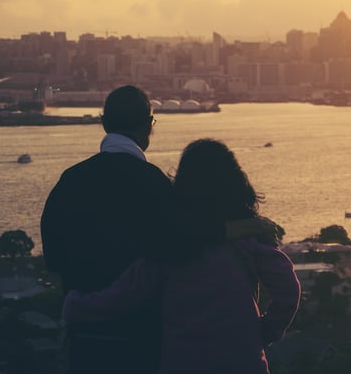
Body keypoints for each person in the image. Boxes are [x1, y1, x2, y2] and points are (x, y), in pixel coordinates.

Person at [41, 86, 278, 374]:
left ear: (104, 123)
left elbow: (53, 258)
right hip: (142, 337)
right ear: (147, 126)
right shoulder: (154, 184)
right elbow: (185, 240)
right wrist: (251, 226)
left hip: (87, 336)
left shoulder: (70, 181)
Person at [63, 138, 301, 374]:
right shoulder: (250, 240)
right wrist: (266, 331)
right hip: (244, 361)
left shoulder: (169, 249)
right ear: (235, 183)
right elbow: (288, 289)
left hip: (184, 362)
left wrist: (74, 305)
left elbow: (123, 294)